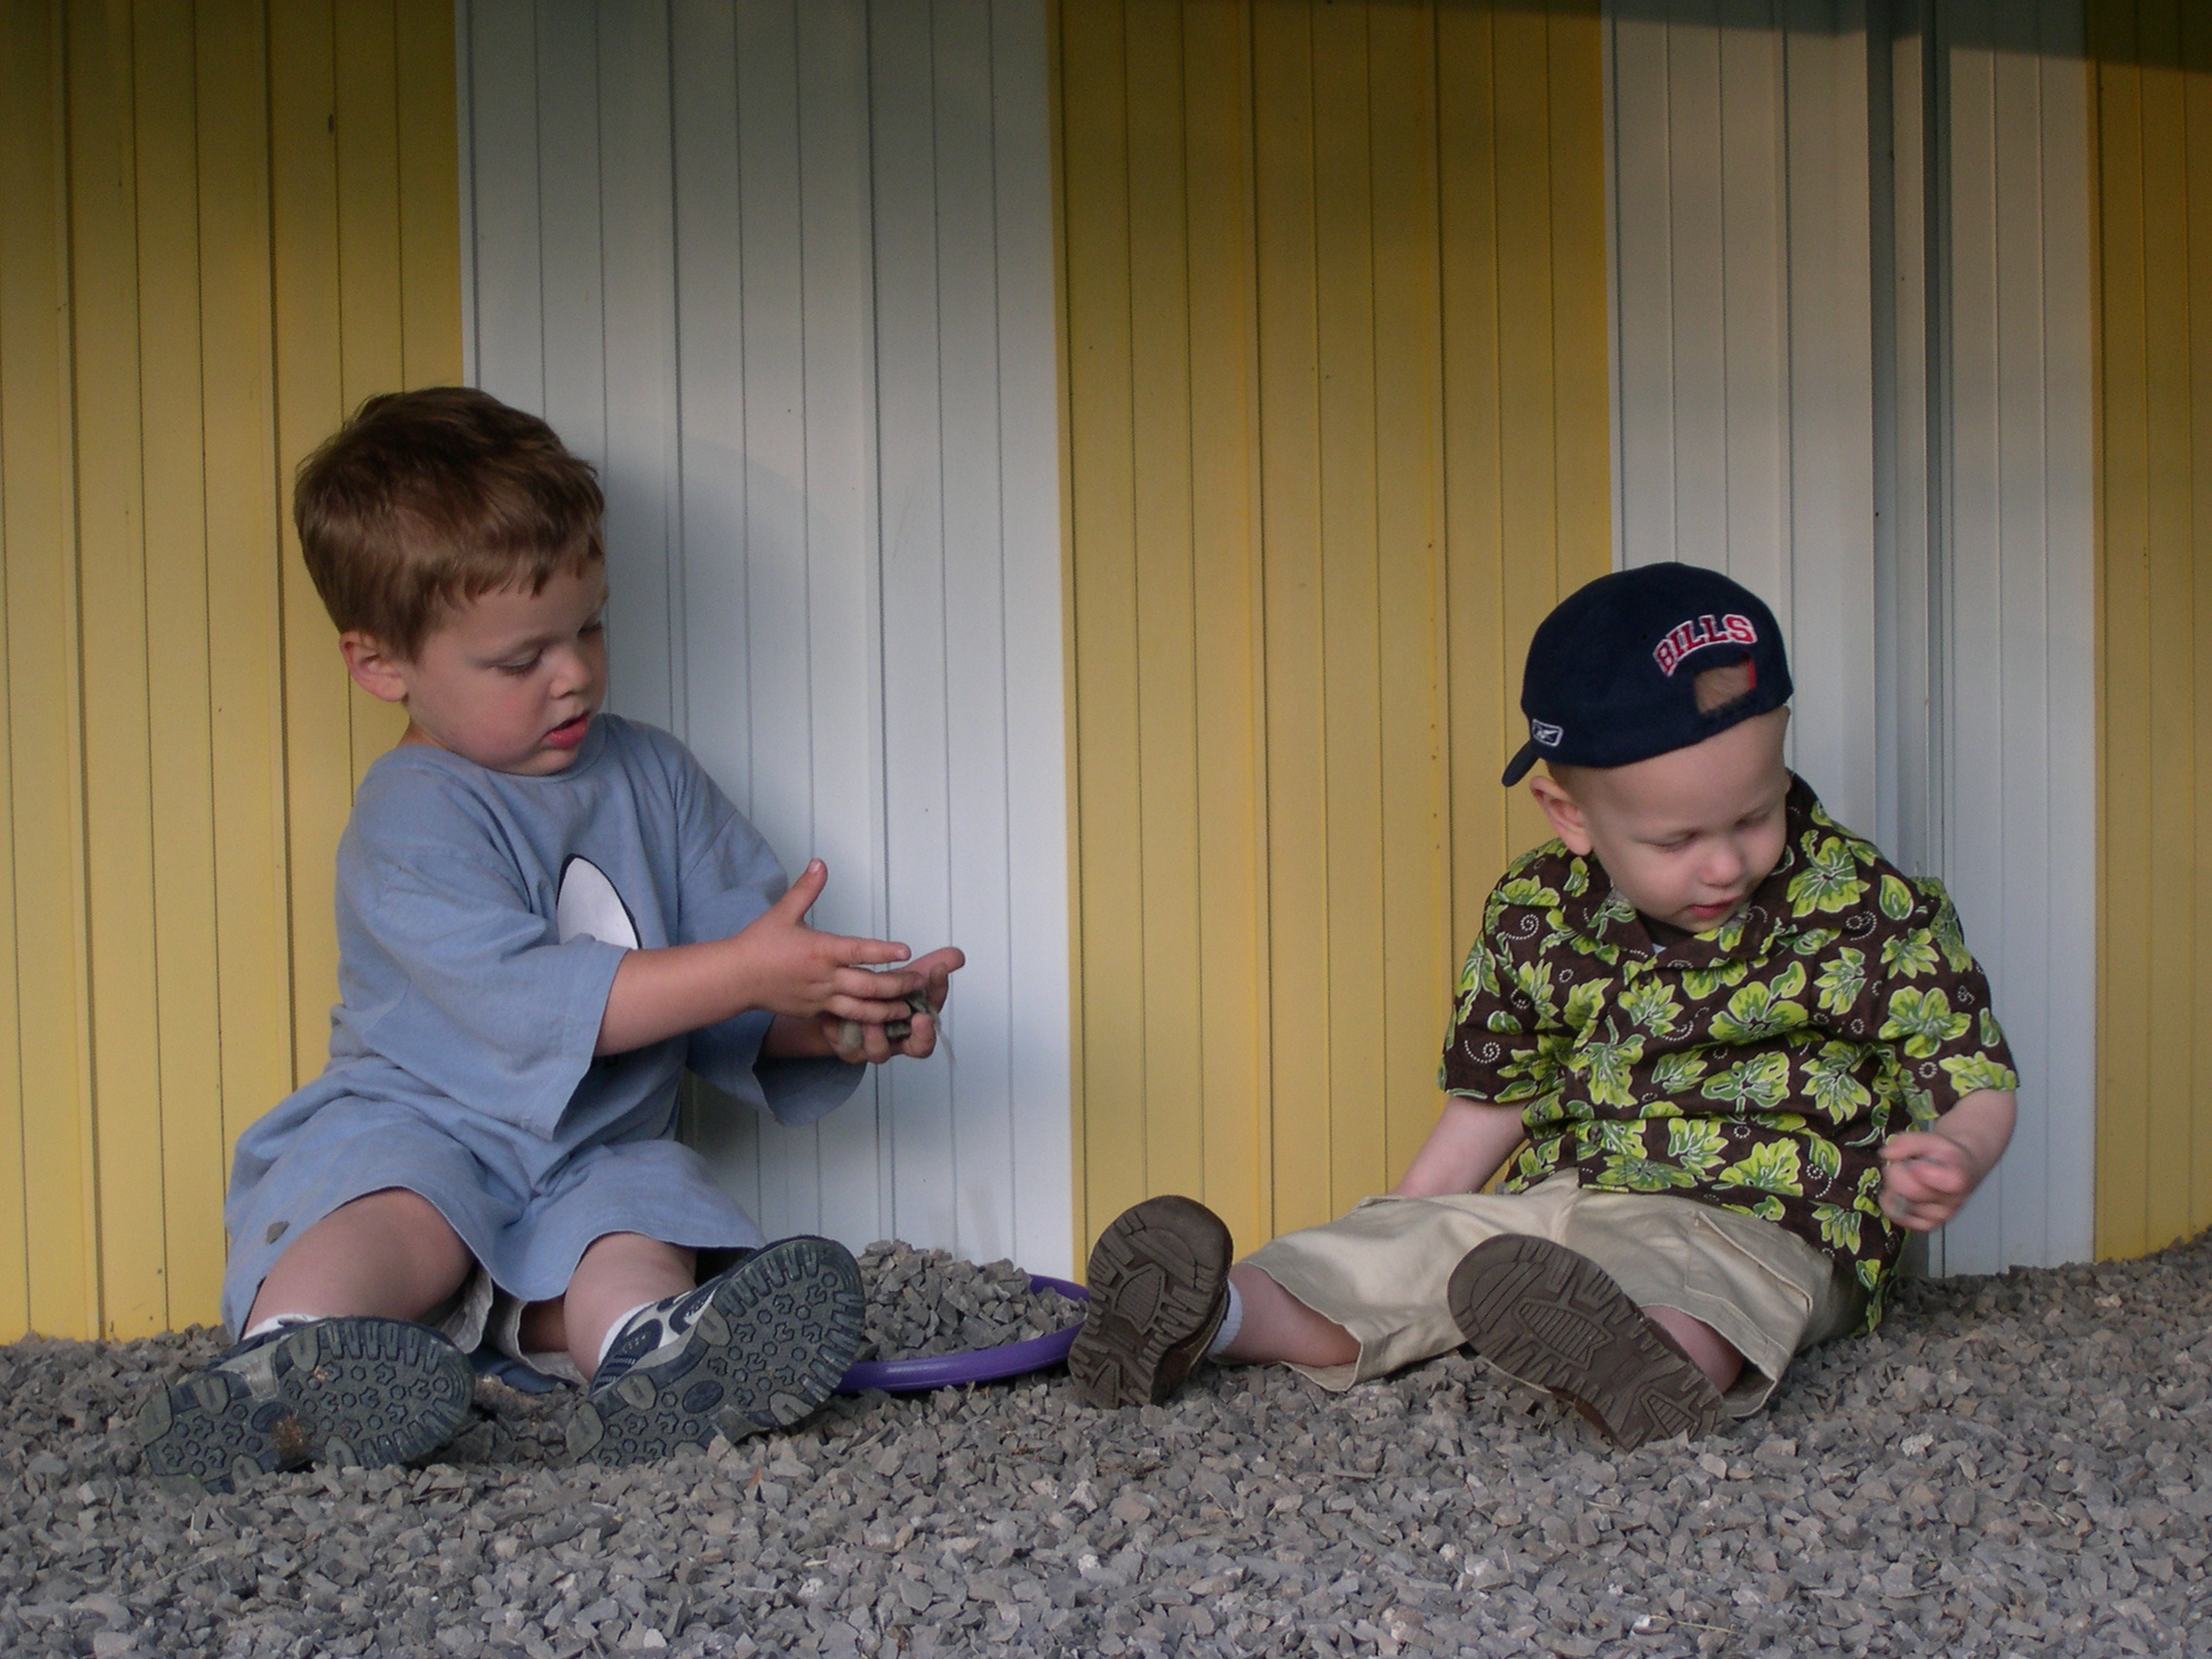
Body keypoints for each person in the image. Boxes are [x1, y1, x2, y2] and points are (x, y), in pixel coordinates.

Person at [135, 387, 962, 1493]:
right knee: (396, 1212)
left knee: (637, 1219)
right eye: (520, 660)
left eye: (589, 627)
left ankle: (645, 1357)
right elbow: (536, 998)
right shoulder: (413, 812)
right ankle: (290, 1355)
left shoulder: (654, 777)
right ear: (384, 666)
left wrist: (833, 1016)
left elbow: (739, 987)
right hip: (428, 1132)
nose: (572, 672)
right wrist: (743, 971)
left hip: (591, 1153)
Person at [1069, 563, 2017, 1448]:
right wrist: (1404, 1225)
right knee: (1421, 1248)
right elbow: (1492, 1100)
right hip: (1555, 1213)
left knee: (1705, 1278)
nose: (1725, 862)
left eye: (1756, 813)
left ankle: (1645, 1367)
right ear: (1571, 815)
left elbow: (1971, 1075)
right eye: (1677, 837)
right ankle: (1211, 1315)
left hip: (1762, 1216)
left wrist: (1957, 1152)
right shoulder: (1534, 912)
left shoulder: (1859, 902)